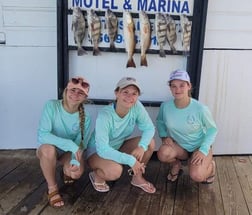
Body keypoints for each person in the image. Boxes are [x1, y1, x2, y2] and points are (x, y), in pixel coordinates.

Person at [87, 77, 156, 193]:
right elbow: (103, 149)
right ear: (116, 93)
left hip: (118, 147)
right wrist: (130, 160)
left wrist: (142, 146)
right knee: (115, 171)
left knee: (150, 142)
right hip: (97, 152)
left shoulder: (136, 106)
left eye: (134, 93)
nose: (130, 97)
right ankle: (97, 175)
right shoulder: (105, 115)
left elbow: (149, 128)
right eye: (125, 92)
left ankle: (137, 178)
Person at [36, 76, 91, 208]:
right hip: (49, 150)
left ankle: (66, 171)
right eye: (72, 90)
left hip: (68, 152)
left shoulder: (86, 117)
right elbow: (43, 135)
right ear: (65, 91)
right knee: (48, 150)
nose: (75, 95)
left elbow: (80, 145)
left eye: (80, 93)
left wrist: (74, 161)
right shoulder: (51, 105)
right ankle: (52, 188)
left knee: (75, 173)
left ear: (85, 98)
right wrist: (70, 145)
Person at [156, 70, 218, 184]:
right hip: (179, 147)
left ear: (189, 86)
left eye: (182, 85)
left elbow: (212, 129)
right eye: (173, 86)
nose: (177, 89)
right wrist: (164, 137)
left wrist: (203, 150)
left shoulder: (200, 109)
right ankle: (176, 165)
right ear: (170, 88)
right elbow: (159, 121)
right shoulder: (165, 107)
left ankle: (211, 167)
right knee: (163, 153)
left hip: (198, 147)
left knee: (197, 176)